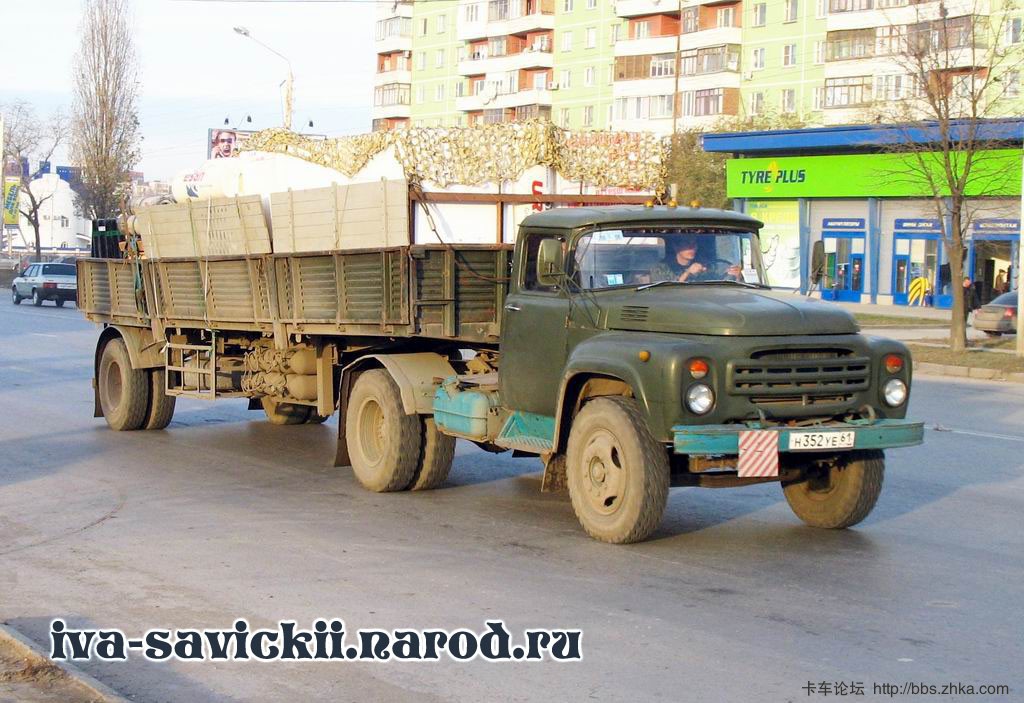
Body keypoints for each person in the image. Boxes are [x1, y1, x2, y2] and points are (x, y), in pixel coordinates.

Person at [647, 234, 741, 284]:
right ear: (676, 246)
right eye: (687, 243)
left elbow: (719, 286)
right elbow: (664, 295)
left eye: (694, 244)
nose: (692, 247)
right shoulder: (660, 268)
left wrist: (736, 276)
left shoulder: (706, 265)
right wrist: (688, 273)